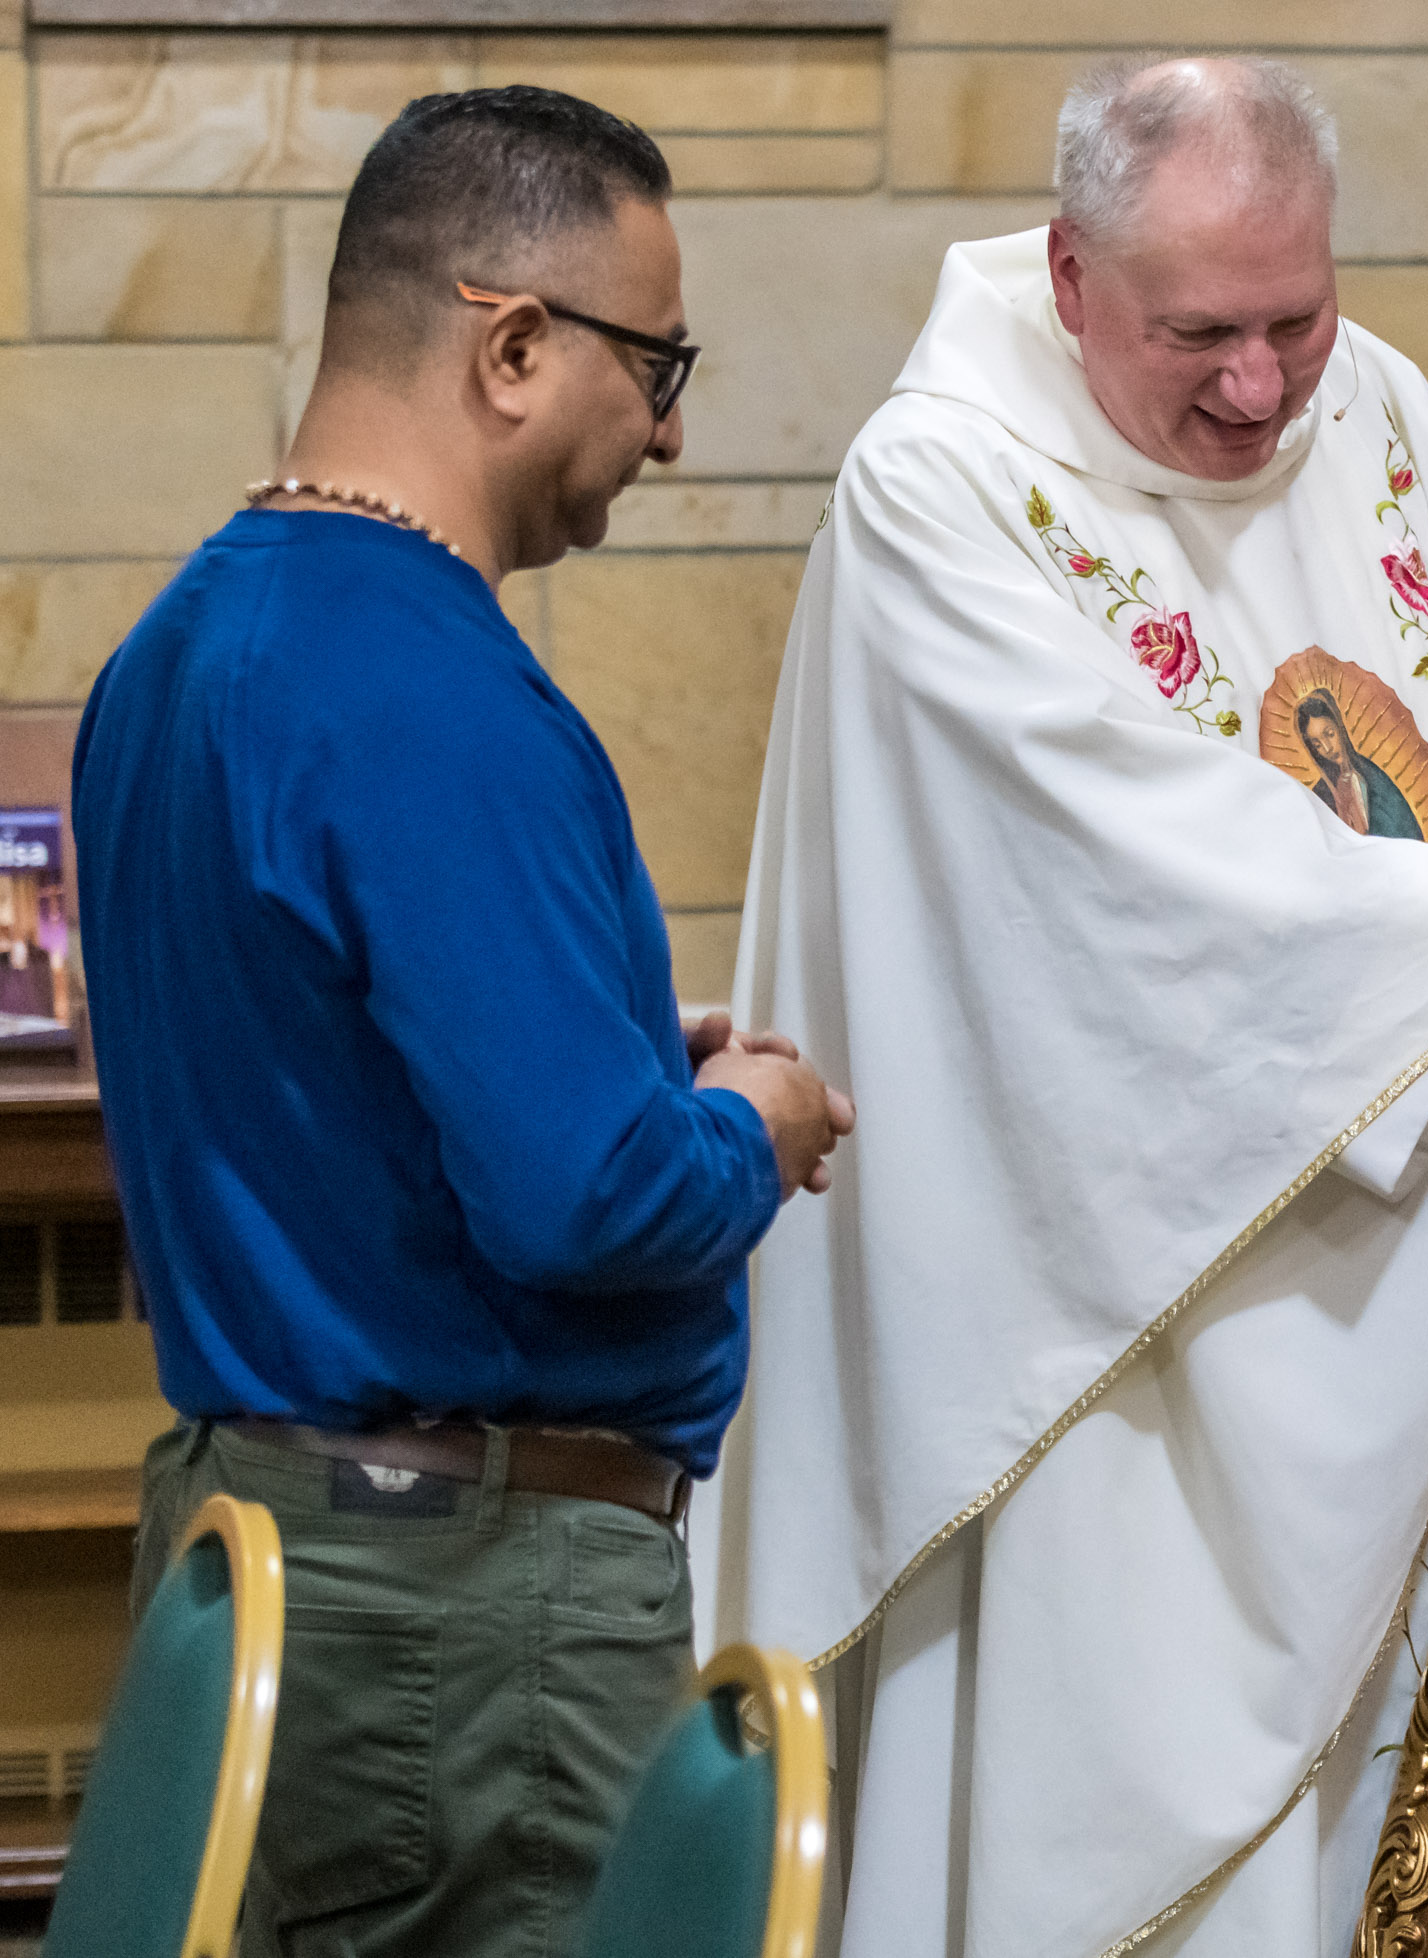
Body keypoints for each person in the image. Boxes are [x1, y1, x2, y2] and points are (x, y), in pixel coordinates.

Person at [698, 55, 1428, 1958]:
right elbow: (1127, 873)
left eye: (1299, 316)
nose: (1264, 388)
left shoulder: (1376, 404)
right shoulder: (937, 492)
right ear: (1069, 274)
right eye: (1202, 333)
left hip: (1396, 1273)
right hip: (1106, 1334)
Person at [72, 87, 849, 1958]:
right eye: (654, 362)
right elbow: (588, 1204)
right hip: (460, 1621)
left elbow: (317, 1079)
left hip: (275, 1542)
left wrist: (622, 1065)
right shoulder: (436, 690)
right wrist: (753, 1120)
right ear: (513, 342)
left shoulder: (181, 646)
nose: (669, 428)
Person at [1297, 687, 1421, 840]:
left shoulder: (1374, 780)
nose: (1327, 748)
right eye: (1317, 745)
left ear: (1339, 727)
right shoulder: (1321, 794)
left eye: (1329, 734)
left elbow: (1404, 832)